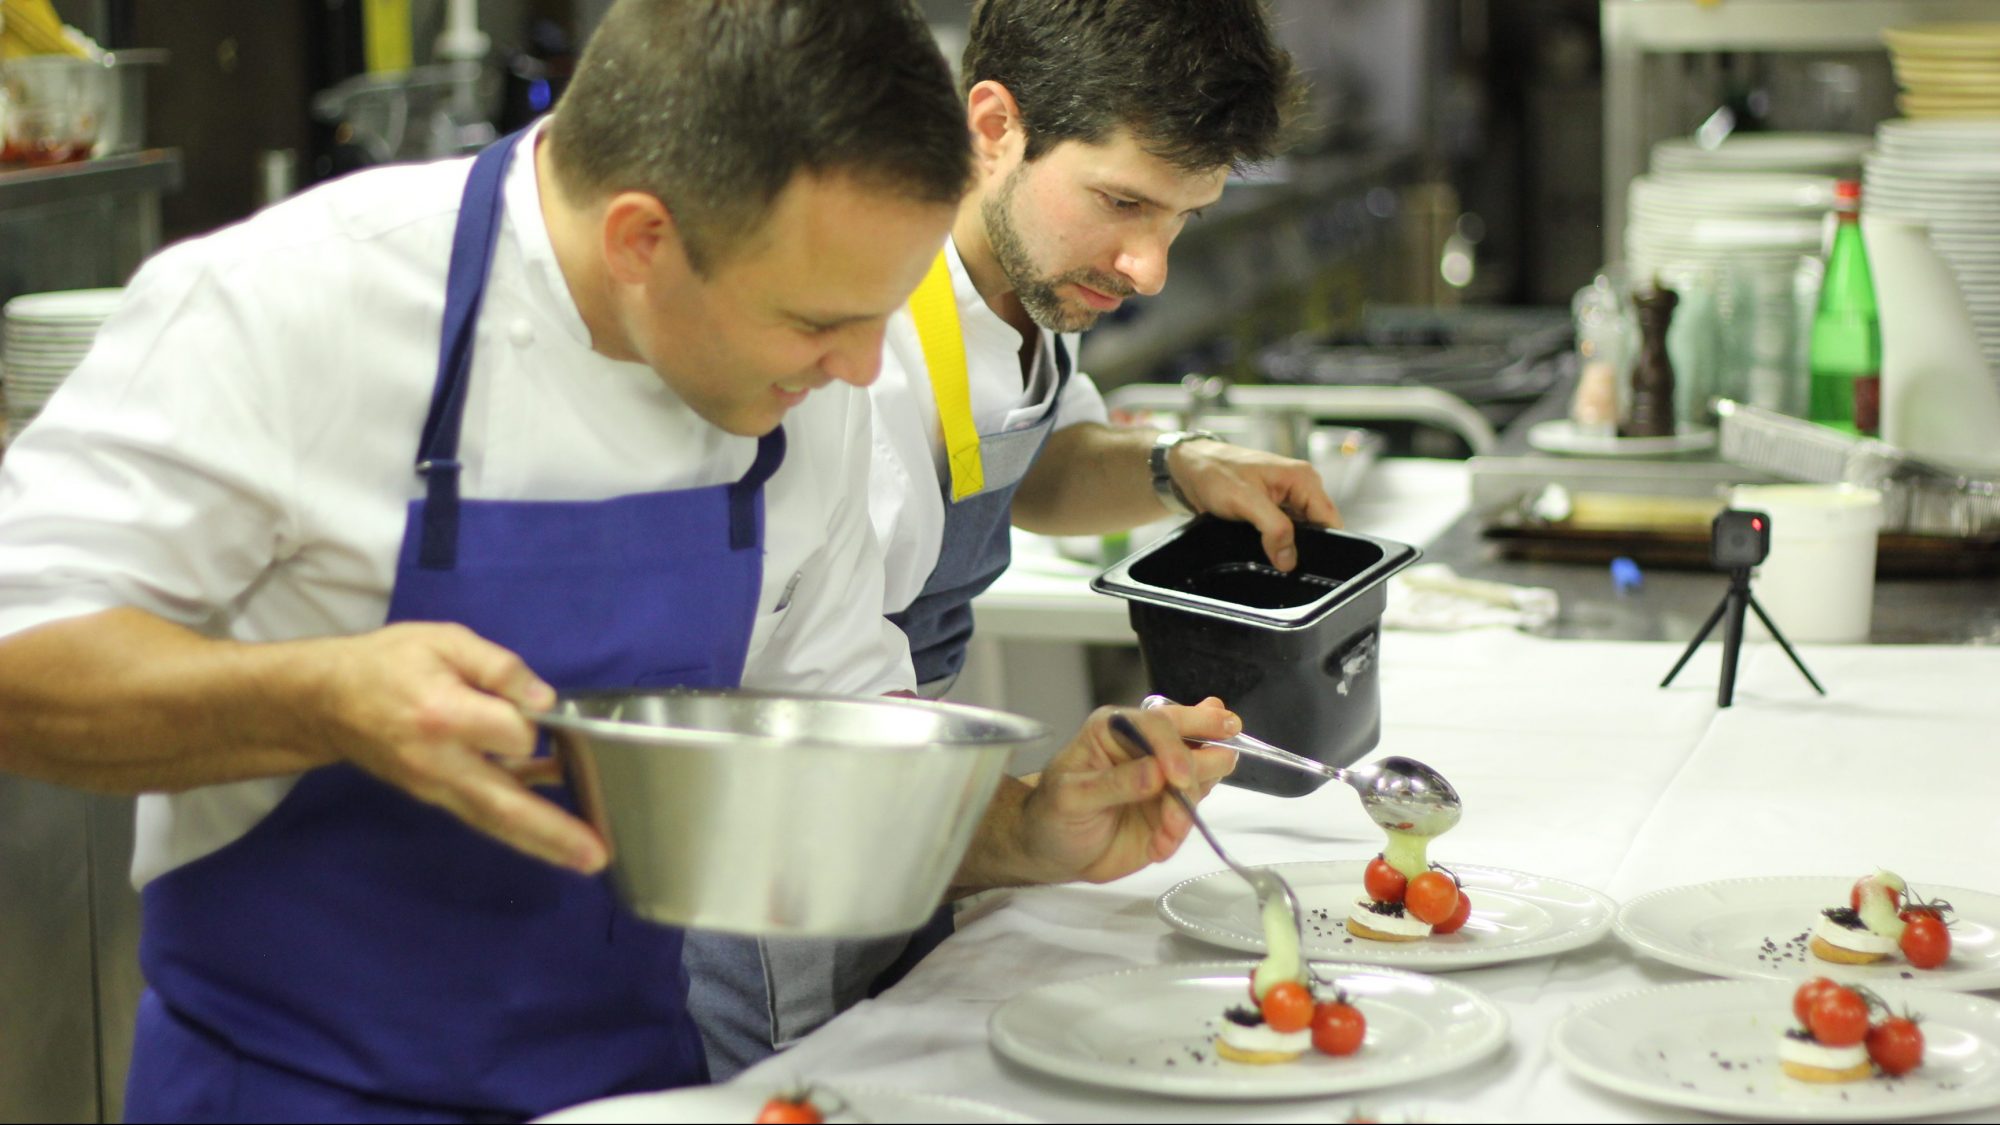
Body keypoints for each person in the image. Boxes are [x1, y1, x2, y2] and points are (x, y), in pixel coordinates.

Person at [0, 3, 1235, 1121]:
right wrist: (321, 699)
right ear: (642, 239)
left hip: (633, 1091)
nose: (864, 370)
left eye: (881, 312)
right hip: (295, 1091)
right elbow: (22, 667)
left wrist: (1026, 829)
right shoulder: (290, 304)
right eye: (816, 321)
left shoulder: (816, 394)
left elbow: (826, 776)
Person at [685, 0, 1337, 1078]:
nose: (1147, 269)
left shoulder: (1020, 283)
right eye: (1121, 202)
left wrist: (1174, 468)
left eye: (1181, 218)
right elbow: (815, 699)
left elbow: (1018, 463)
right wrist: (1030, 824)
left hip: (915, 819)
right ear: (992, 125)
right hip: (794, 853)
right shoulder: (858, 342)